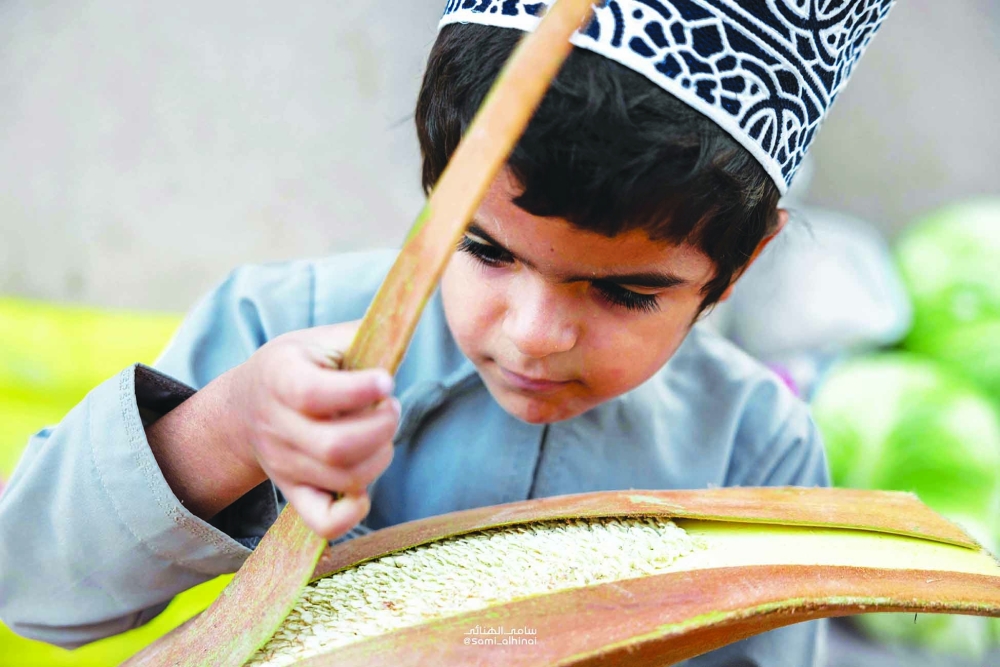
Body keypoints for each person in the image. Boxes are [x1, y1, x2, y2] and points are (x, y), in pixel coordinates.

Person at [0, 1, 895, 664]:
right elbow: (36, 595)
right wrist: (231, 428)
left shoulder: (757, 449)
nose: (535, 335)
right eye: (484, 249)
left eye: (624, 292)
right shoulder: (278, 325)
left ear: (736, 268)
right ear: (433, 180)